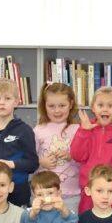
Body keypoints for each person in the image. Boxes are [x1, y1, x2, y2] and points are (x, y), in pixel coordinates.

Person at [70, 86, 112, 213]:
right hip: (90, 189)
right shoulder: (86, 129)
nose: (105, 109)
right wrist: (84, 132)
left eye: (110, 106)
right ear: (93, 108)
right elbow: (77, 155)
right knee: (87, 221)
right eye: (100, 105)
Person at [0, 79, 39, 207]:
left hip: (17, 189)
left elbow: (32, 163)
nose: (2, 102)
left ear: (16, 101)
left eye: (7, 98)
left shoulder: (24, 130)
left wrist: (10, 164)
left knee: (18, 219)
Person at [34, 83, 82, 213]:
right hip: (43, 195)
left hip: (72, 194)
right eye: (51, 106)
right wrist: (41, 162)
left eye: (62, 105)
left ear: (70, 104)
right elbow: (31, 160)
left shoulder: (78, 130)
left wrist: (72, 157)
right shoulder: (38, 130)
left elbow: (86, 160)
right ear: (44, 106)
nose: (57, 111)